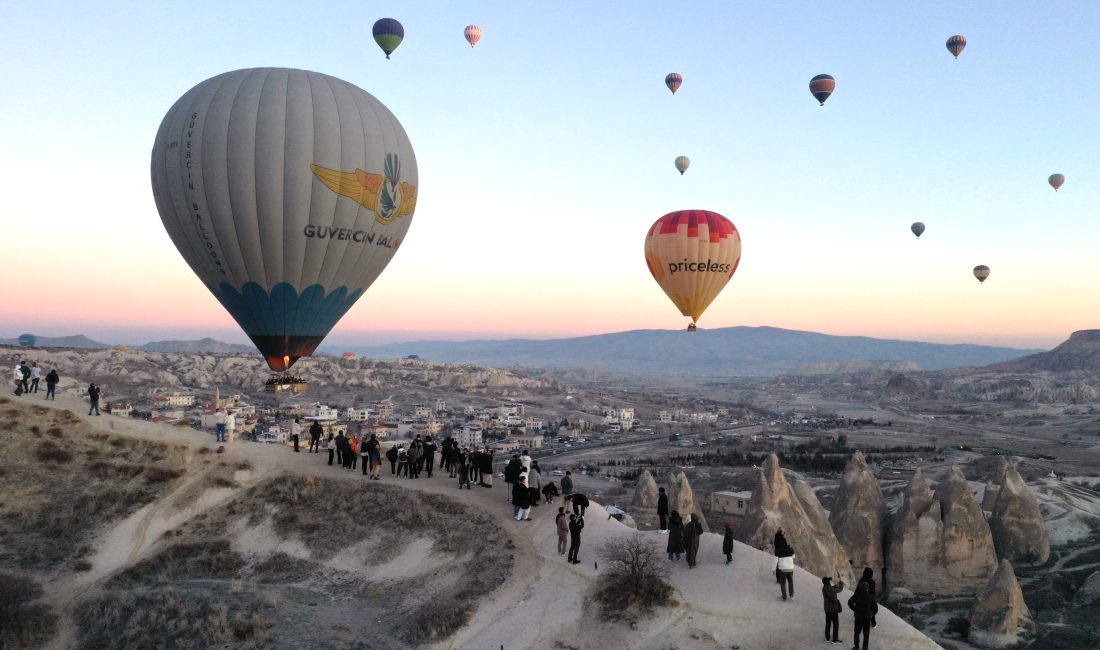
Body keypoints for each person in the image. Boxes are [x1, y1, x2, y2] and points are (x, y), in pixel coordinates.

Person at [847, 581, 878, 650]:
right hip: (867, 618)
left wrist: (855, 609)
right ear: (868, 588)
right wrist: (871, 614)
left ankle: (856, 646)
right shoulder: (871, 597)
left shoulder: (857, 595)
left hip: (858, 617)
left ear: (860, 588)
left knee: (857, 632)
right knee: (866, 634)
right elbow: (875, 608)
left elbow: (849, 603)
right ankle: (865, 648)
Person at [822, 576, 845, 645]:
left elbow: (832, 588)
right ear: (828, 582)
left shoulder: (824, 588)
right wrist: (841, 583)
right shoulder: (830, 589)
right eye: (829, 581)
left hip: (827, 609)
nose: (830, 581)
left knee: (828, 623)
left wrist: (836, 584)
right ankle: (835, 639)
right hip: (833, 609)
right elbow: (840, 589)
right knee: (836, 624)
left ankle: (827, 638)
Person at [775, 531, 796, 601]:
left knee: (783, 583)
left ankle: (784, 597)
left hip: (783, 569)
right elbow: (793, 556)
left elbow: (776, 560)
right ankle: (792, 595)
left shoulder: (778, 550)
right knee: (790, 581)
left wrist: (773, 569)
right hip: (790, 569)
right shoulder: (790, 549)